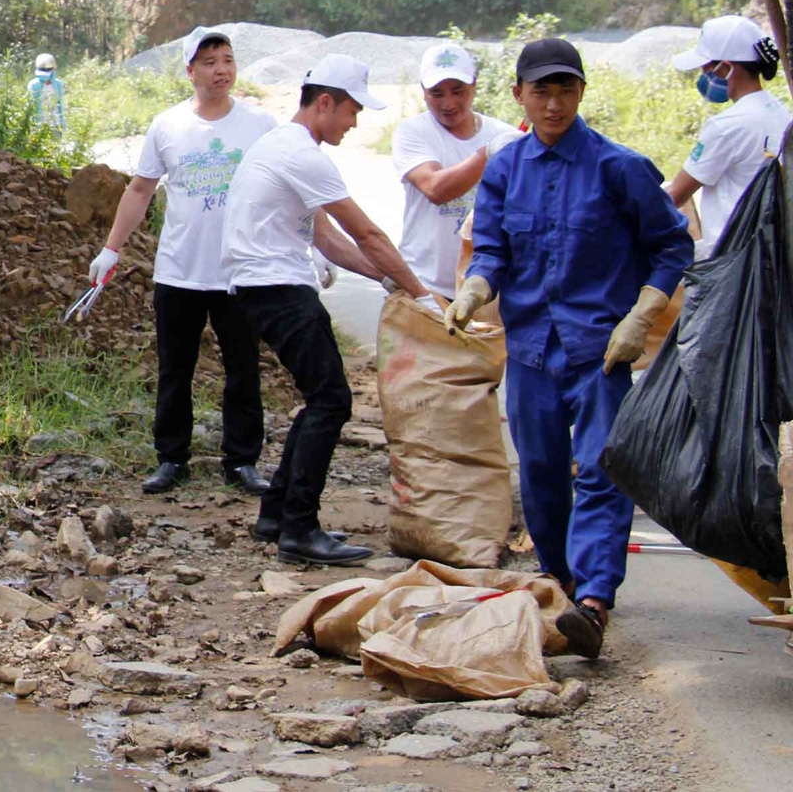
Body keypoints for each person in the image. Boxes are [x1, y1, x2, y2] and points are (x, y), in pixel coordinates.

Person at [448, 36, 692, 659]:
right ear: (519, 96)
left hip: (601, 352)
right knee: (541, 476)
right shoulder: (504, 168)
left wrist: (643, 313)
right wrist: (475, 289)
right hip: (530, 351)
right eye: (541, 91)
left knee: (603, 472)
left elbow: (672, 245)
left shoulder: (621, 168)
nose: (553, 104)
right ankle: (560, 583)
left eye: (565, 90)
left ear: (581, 93)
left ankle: (595, 602)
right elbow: (496, 249)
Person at [224, 53, 436, 567]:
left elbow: (329, 239)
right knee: (331, 400)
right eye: (351, 111)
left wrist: (389, 282)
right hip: (274, 286)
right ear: (325, 103)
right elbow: (367, 232)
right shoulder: (301, 153)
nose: (354, 122)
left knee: (322, 397)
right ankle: (299, 528)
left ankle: (276, 515)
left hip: (264, 285)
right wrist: (424, 295)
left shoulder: (283, 148)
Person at [88, 27, 276, 497]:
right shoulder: (167, 125)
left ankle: (241, 462)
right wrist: (112, 248)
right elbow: (140, 190)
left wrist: (305, 247)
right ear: (190, 71)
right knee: (176, 368)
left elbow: (282, 190)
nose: (221, 69)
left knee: (243, 367)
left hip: (239, 270)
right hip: (179, 270)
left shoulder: (260, 126)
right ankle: (172, 459)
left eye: (228, 59)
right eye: (210, 61)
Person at [393, 41, 523, 299]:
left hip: (485, 292)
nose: (448, 103)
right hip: (423, 288)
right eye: (437, 94)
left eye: (457, 91)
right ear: (423, 92)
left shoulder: (505, 136)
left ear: (474, 87)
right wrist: (488, 153)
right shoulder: (413, 132)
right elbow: (435, 188)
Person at [663, 15, 789, 259]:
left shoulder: (727, 126)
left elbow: (675, 195)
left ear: (727, 67)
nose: (702, 73)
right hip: (771, 253)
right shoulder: (779, 111)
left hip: (731, 261)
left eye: (706, 67)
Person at [29, 53, 66, 134]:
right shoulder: (34, 85)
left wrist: (62, 123)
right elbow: (30, 104)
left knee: (56, 144)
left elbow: (60, 104)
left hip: (55, 123)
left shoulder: (58, 84)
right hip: (39, 124)